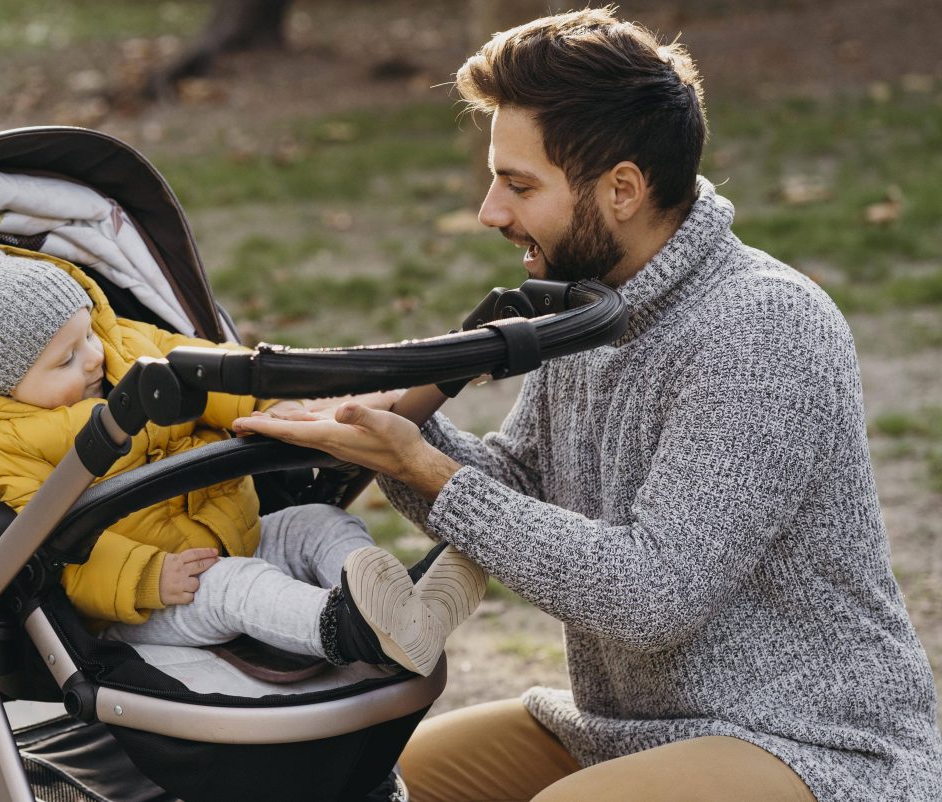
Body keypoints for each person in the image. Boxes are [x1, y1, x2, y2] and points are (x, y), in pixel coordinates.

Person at [232, 8, 942, 801]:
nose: (490, 213)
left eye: (519, 184)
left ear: (623, 190)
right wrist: (390, 437)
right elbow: (522, 489)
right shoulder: (594, 306)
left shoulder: (764, 327)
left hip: (816, 747)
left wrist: (429, 470)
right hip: (620, 729)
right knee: (374, 779)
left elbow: (652, 595)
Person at [0, 241, 488, 676]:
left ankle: (401, 607)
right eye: (66, 359)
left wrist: (275, 402)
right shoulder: (8, 446)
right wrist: (147, 577)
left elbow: (212, 371)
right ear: (6, 386)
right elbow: (49, 546)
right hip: (154, 595)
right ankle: (348, 629)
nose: (94, 357)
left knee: (320, 523)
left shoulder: (125, 345)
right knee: (237, 586)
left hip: (232, 529)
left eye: (88, 335)